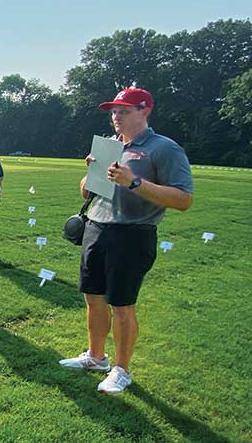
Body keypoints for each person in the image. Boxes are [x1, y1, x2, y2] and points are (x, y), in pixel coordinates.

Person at [59, 87, 193, 394]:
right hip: (96, 226)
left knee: (121, 304)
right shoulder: (110, 146)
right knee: (93, 296)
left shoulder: (164, 149)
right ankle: (96, 357)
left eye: (124, 111)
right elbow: (87, 193)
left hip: (133, 233)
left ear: (144, 111)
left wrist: (134, 182)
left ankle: (122, 369)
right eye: (113, 111)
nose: (115, 117)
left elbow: (184, 199)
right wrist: (90, 173)